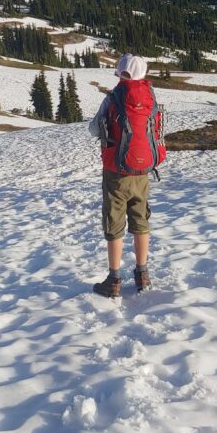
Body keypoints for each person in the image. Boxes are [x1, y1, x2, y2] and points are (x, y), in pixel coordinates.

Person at [88, 53, 166, 297]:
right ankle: (142, 274)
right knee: (141, 219)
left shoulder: (113, 98)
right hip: (142, 170)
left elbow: (93, 129)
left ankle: (114, 280)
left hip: (115, 170)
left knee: (114, 222)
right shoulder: (149, 96)